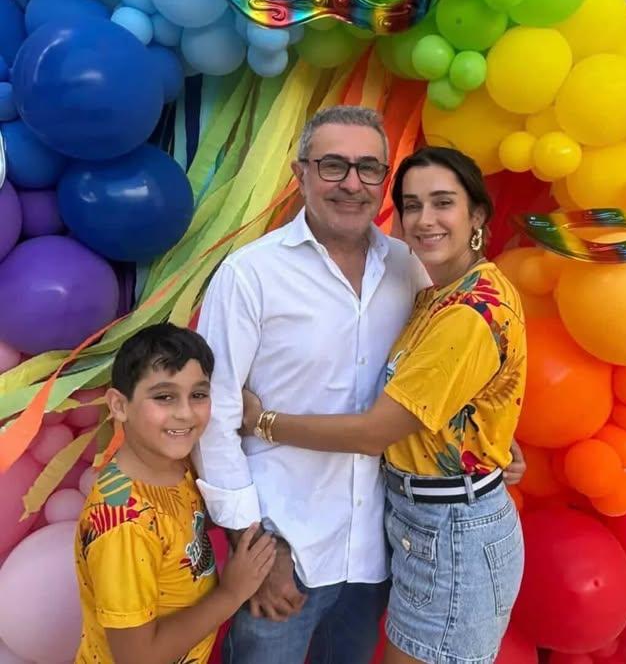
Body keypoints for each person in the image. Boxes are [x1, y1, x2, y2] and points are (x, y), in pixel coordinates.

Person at [193, 106, 525, 664]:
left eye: (369, 168)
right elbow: (215, 418)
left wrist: (488, 442)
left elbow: (445, 382)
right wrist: (253, 544)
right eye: (333, 165)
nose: (352, 183)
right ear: (300, 173)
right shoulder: (250, 275)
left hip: (380, 550)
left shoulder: (409, 266)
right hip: (285, 549)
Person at [74, 324, 276, 664]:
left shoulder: (177, 466)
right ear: (119, 405)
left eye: (198, 395)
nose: (185, 412)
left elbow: (181, 524)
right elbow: (136, 658)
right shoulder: (124, 525)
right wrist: (231, 594)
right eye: (164, 397)